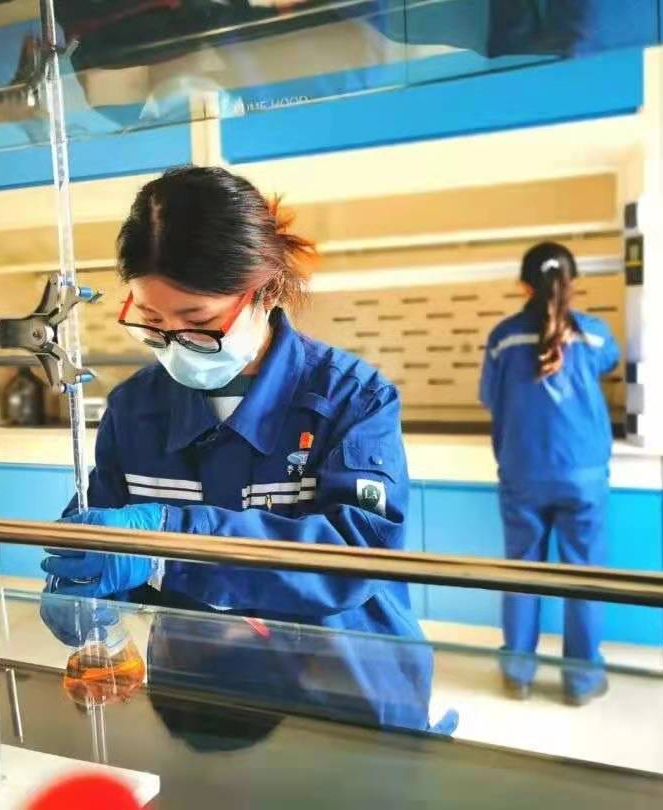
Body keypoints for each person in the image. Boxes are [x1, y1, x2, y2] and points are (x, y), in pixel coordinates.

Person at [40, 165, 452, 733]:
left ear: (266, 290)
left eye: (199, 320)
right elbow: (107, 529)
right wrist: (86, 581)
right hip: (200, 695)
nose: (176, 343)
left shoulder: (352, 399)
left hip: (343, 692)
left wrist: (166, 543)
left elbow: (354, 558)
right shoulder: (136, 409)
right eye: (152, 322)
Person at [479, 241, 620, 707]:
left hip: (523, 472)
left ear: (524, 285)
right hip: (583, 475)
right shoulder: (595, 335)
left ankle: (518, 675)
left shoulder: (503, 338)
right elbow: (611, 361)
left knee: (522, 573)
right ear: (572, 282)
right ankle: (581, 681)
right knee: (584, 577)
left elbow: (489, 397)